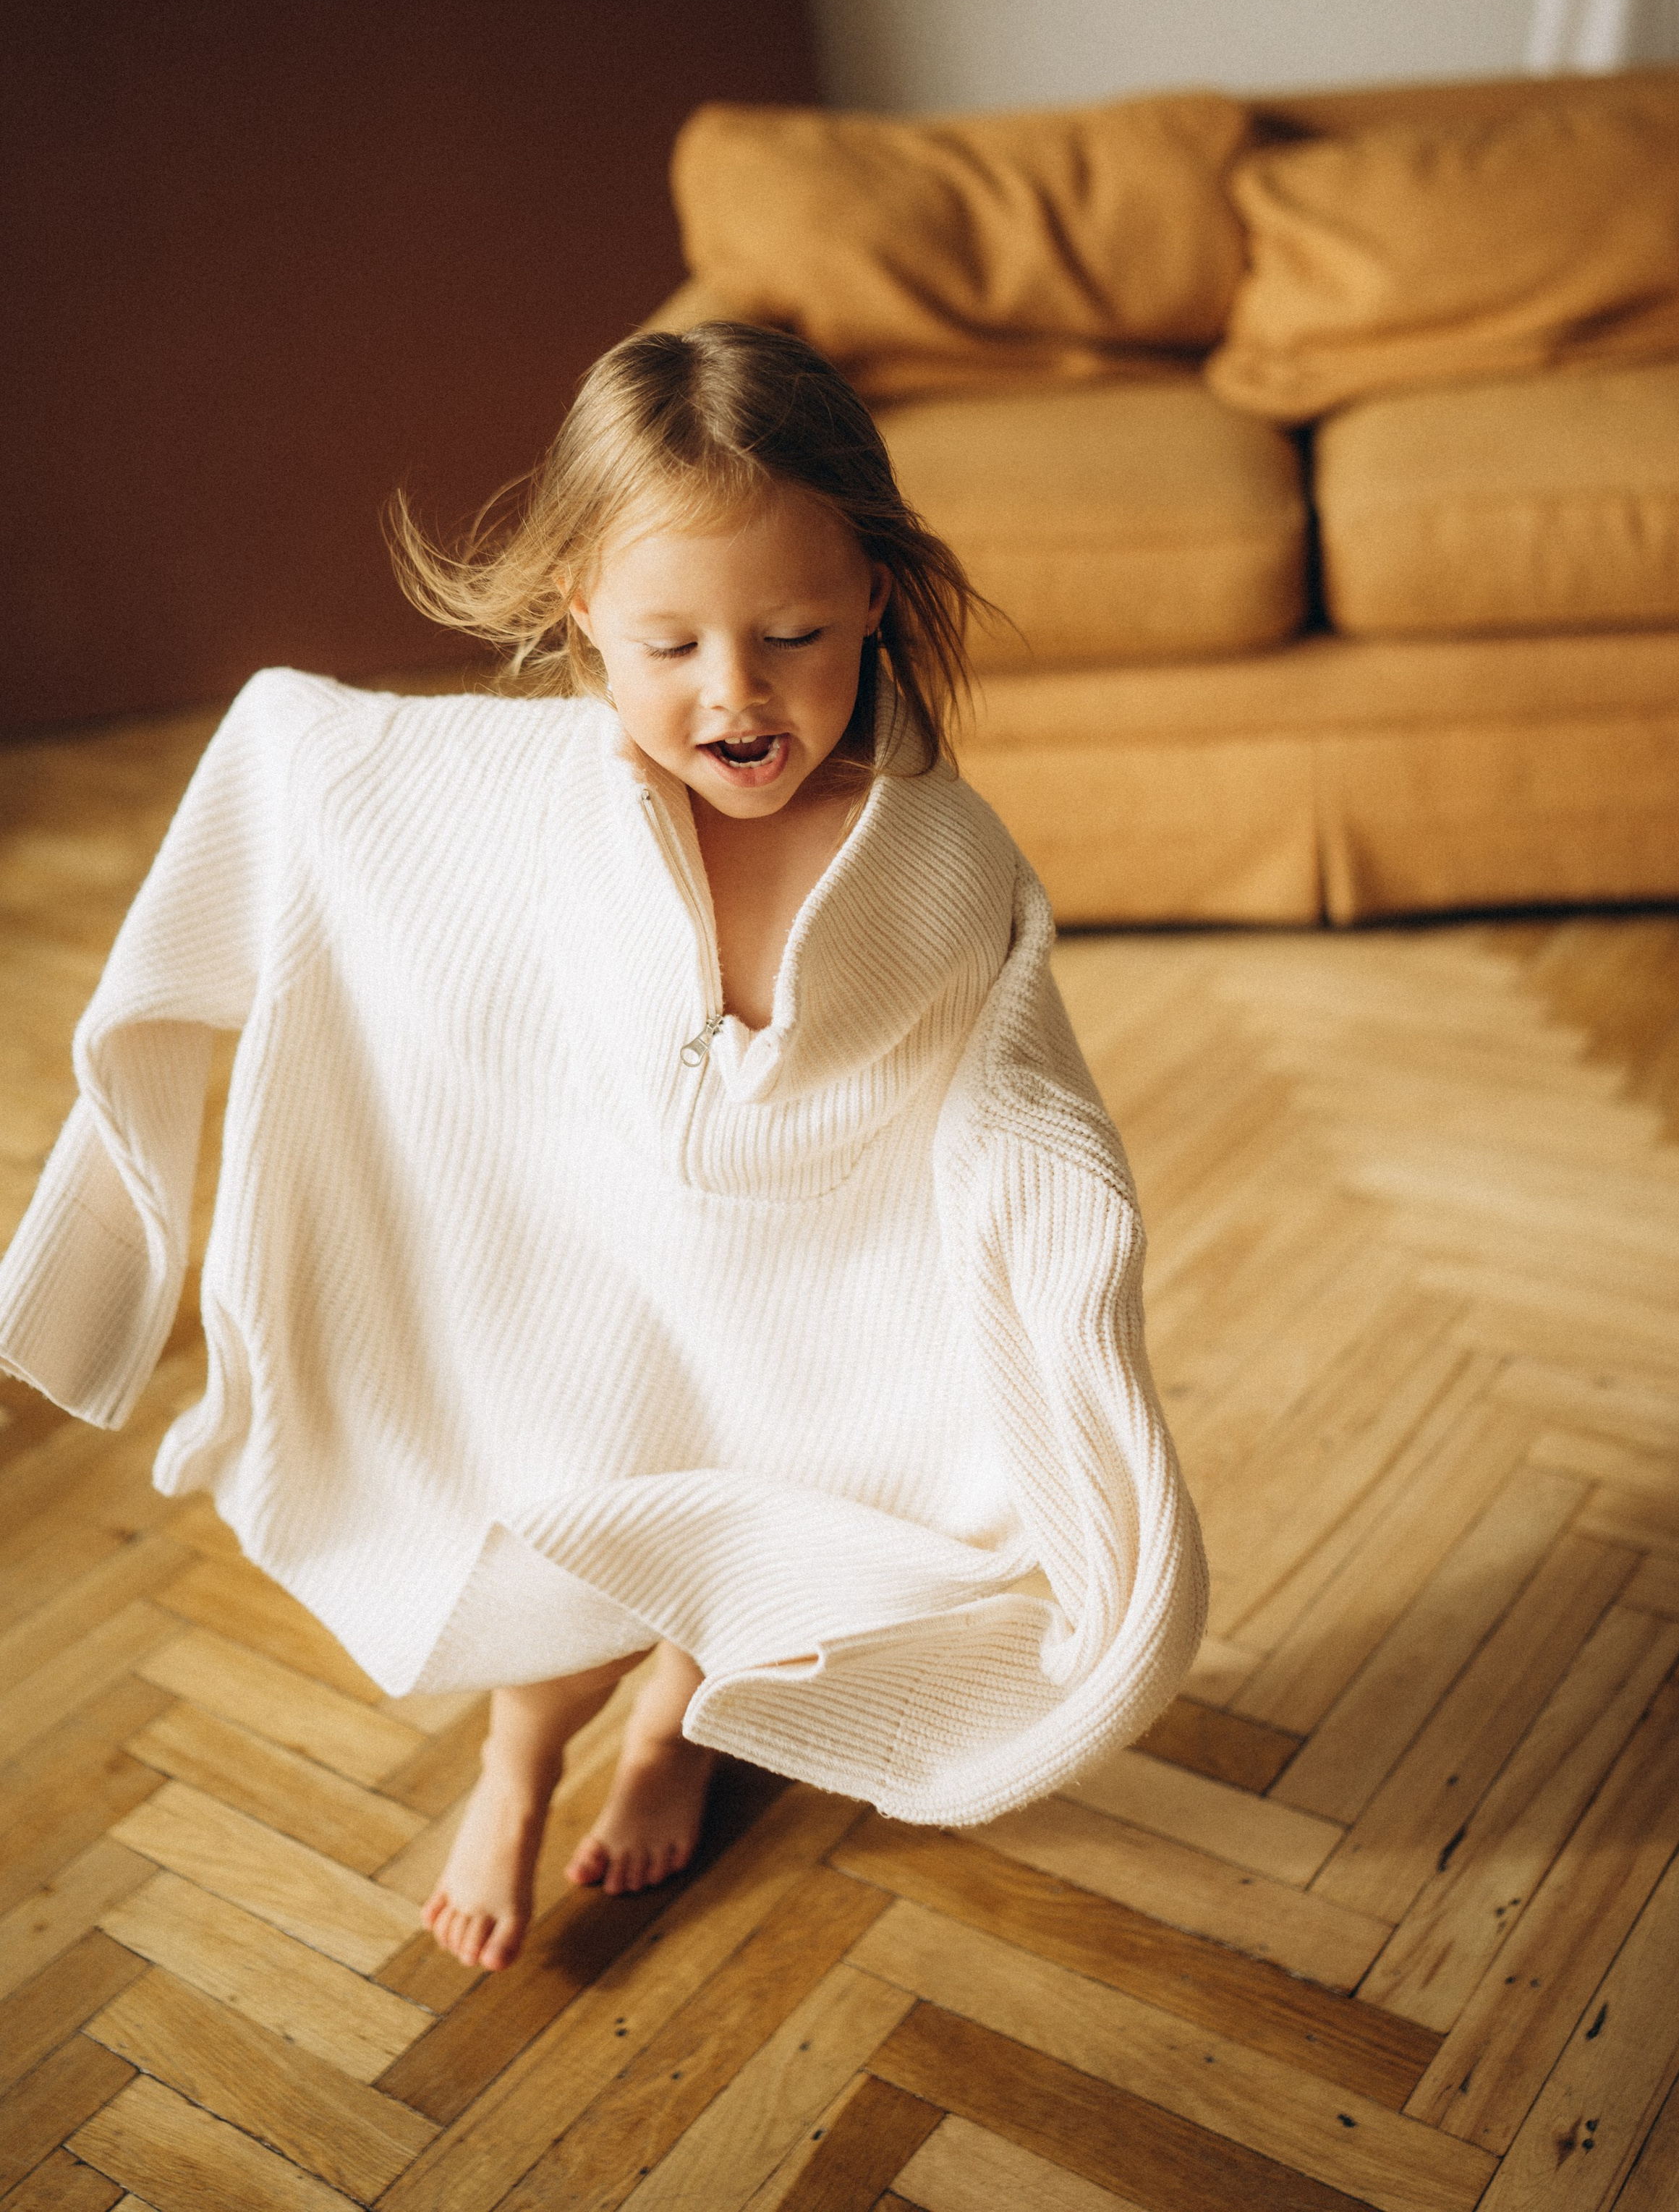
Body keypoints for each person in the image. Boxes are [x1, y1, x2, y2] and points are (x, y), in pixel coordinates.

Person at [0, 322, 1205, 1974]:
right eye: (670, 644)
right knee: (565, 1518)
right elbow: (313, 776)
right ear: (579, 618)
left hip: (808, 1291)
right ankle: (518, 1764)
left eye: (790, 630)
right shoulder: (544, 792)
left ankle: (678, 1733)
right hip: (590, 1254)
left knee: (773, 1540)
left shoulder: (930, 850)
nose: (734, 691)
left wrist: (1072, 1254)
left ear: (872, 590)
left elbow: (1015, 1076)